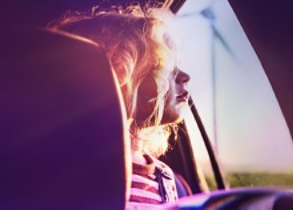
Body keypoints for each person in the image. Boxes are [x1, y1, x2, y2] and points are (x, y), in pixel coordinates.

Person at [49, 5, 190, 205]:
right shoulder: (74, 173)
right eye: (168, 67)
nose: (185, 77)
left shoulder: (165, 178)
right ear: (121, 76)